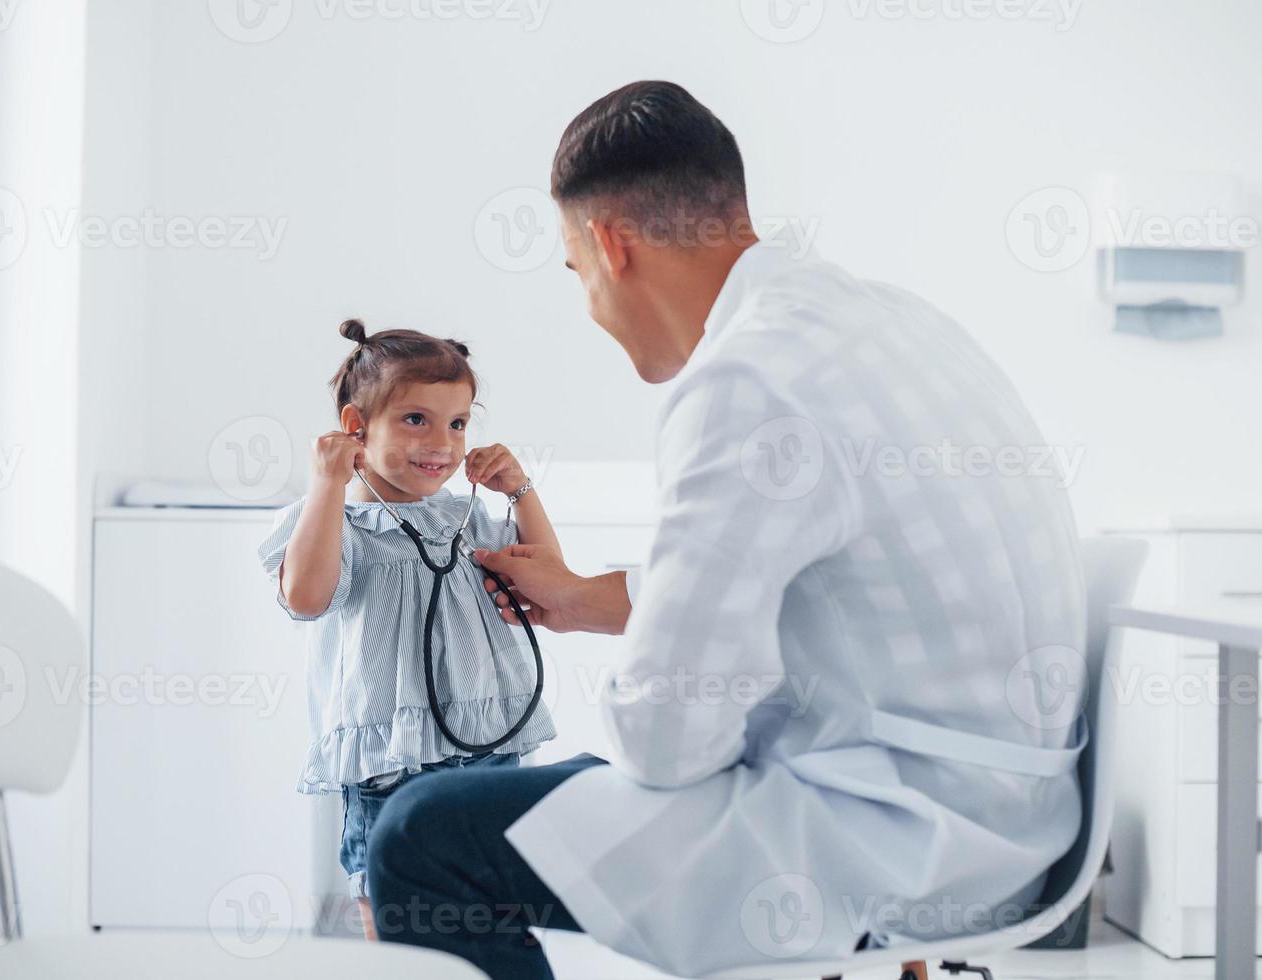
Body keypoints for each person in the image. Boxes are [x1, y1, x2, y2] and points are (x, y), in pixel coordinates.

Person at [366, 81, 1086, 979]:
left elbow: (668, 747)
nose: (587, 304)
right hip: (1010, 811)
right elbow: (832, 572)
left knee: (423, 832)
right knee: (553, 799)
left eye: (573, 273)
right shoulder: (894, 321)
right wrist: (600, 601)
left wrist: (639, 679)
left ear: (609, 245)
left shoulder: (745, 380)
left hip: (896, 846)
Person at [257, 318, 559, 939]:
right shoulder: (335, 520)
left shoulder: (467, 517)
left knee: (496, 910)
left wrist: (521, 491)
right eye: (415, 420)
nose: (442, 444)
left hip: (489, 744)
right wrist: (327, 484)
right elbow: (306, 597)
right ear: (354, 429)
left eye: (458, 423)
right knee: (396, 914)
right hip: (392, 761)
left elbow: (548, 578)